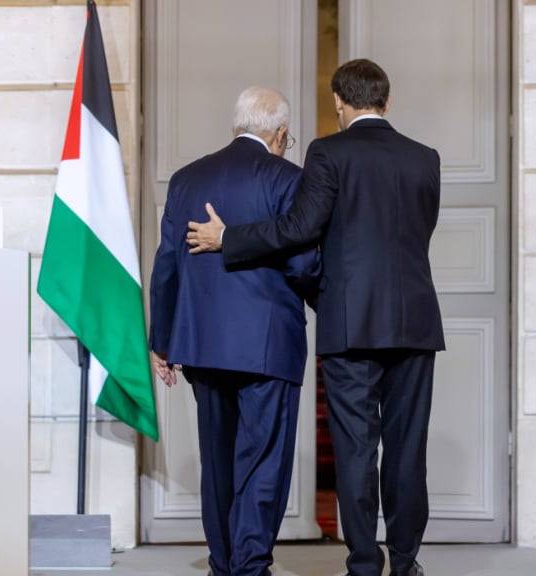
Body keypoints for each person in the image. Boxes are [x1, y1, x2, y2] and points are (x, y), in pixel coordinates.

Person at [186, 59, 443, 576]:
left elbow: (300, 228)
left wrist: (228, 237)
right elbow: (423, 229)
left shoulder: (327, 152)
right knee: (407, 450)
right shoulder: (425, 157)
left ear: (339, 103)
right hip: (415, 321)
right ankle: (407, 561)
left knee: (356, 451)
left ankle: (364, 564)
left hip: (349, 324)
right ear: (387, 101)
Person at [149, 86, 319, 576]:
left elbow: (167, 264)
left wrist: (162, 340)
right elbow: (303, 263)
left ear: (237, 125)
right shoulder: (289, 179)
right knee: (262, 461)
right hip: (268, 344)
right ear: (281, 133)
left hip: (201, 344)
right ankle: (250, 565)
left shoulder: (187, 179)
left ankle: (223, 564)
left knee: (218, 461)